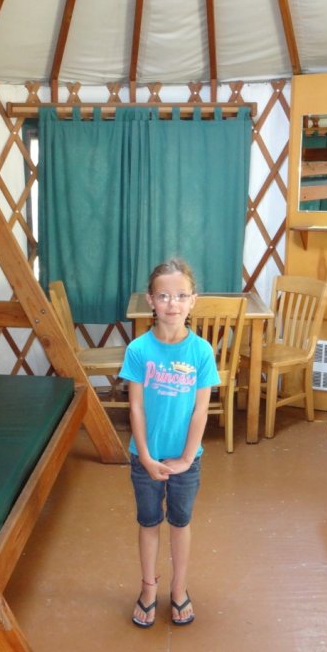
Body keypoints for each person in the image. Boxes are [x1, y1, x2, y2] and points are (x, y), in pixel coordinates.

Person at [119, 258, 219, 628]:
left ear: (193, 300)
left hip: (185, 461)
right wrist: (144, 456)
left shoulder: (201, 352)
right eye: (163, 295)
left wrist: (187, 457)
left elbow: (200, 412)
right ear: (151, 300)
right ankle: (148, 589)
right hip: (145, 458)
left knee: (180, 522)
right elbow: (136, 406)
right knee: (148, 522)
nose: (172, 304)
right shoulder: (139, 350)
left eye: (180, 295)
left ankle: (179, 589)